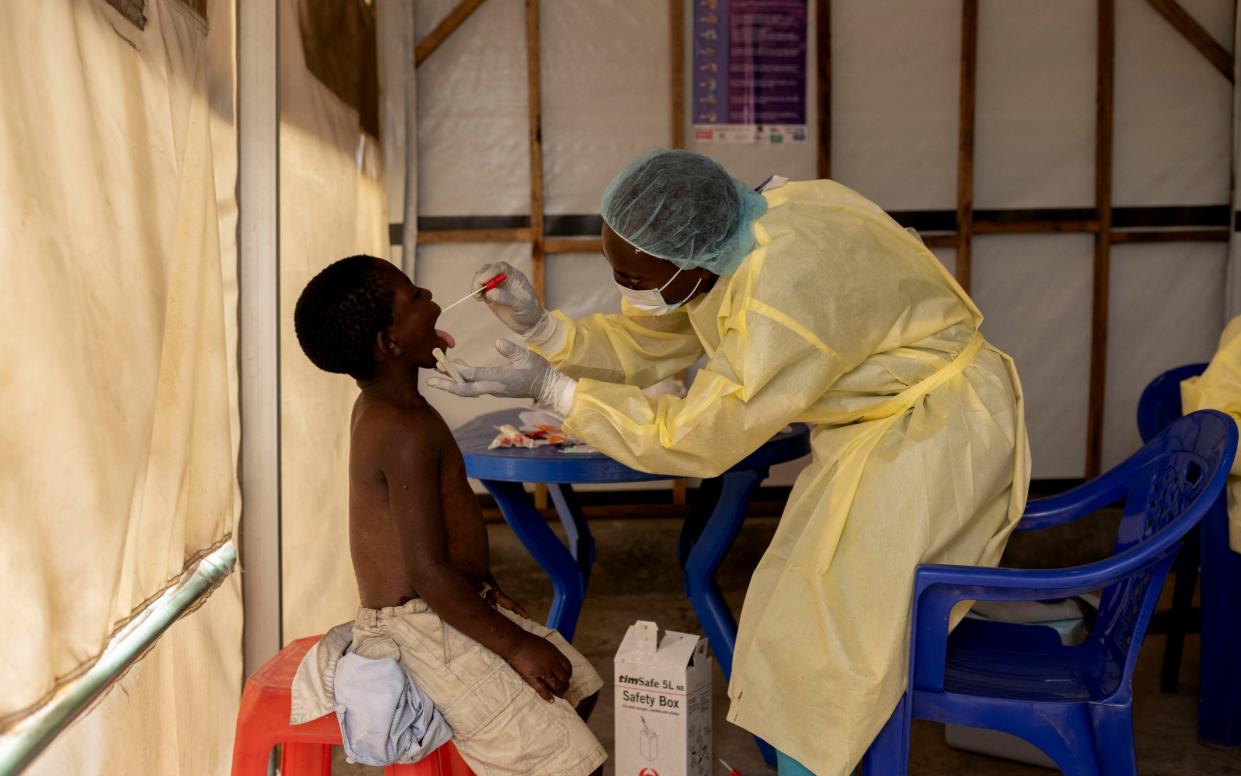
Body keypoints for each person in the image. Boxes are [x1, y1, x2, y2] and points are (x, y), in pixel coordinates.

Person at [429, 149, 1031, 775]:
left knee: (841, 645)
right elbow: (662, 333)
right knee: (796, 618)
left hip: (932, 436)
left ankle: (822, 762)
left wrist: (557, 393)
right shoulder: (748, 230)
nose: (625, 289)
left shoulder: (785, 291)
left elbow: (700, 437)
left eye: (634, 277)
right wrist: (549, 332)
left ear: (690, 258)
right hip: (883, 428)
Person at [293, 255, 606, 776]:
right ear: (390, 344)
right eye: (415, 296)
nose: (432, 297)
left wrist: (486, 585)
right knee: (569, 760)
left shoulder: (400, 410)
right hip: (419, 628)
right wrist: (515, 644)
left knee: (574, 684)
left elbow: (434, 546)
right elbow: (425, 570)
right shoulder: (400, 430)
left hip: (446, 604)